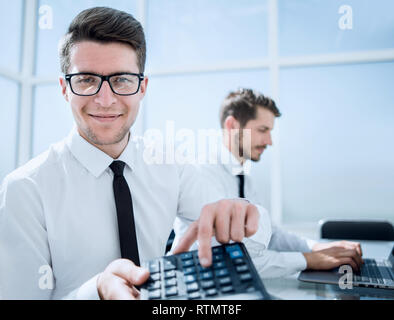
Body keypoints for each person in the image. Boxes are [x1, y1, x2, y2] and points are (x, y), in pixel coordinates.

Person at [0, 8, 272, 300]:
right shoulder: (25, 189)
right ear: (65, 88)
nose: (105, 100)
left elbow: (250, 238)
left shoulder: (171, 165)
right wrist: (96, 292)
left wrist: (248, 216)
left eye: (122, 80)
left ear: (142, 87)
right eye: (86, 80)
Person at [172, 88, 363, 278]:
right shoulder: (201, 174)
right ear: (232, 126)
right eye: (263, 130)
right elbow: (233, 257)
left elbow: (272, 235)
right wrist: (309, 259)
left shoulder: (244, 178)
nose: (269, 141)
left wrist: (317, 247)